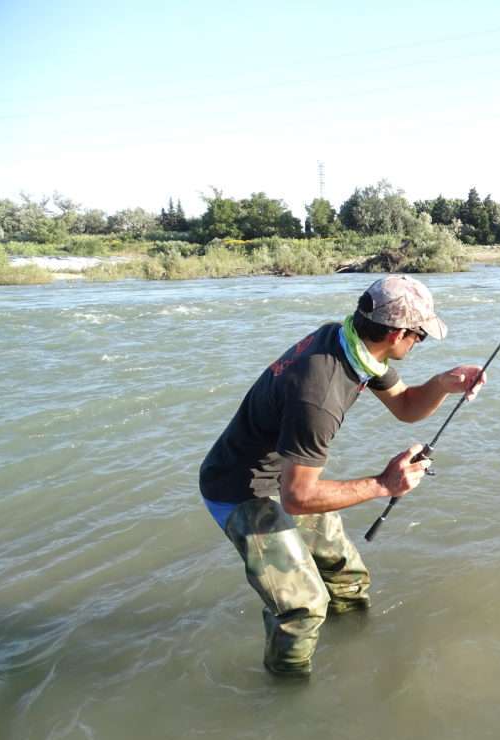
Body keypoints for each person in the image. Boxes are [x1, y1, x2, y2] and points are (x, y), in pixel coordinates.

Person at [198, 275, 485, 677]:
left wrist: (442, 384)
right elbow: (298, 498)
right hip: (241, 489)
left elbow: (405, 406)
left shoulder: (349, 340)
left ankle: (355, 650)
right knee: (303, 607)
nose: (419, 344)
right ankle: (285, 692)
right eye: (420, 336)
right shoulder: (319, 393)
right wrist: (385, 484)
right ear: (399, 332)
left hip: (288, 475)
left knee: (347, 576)